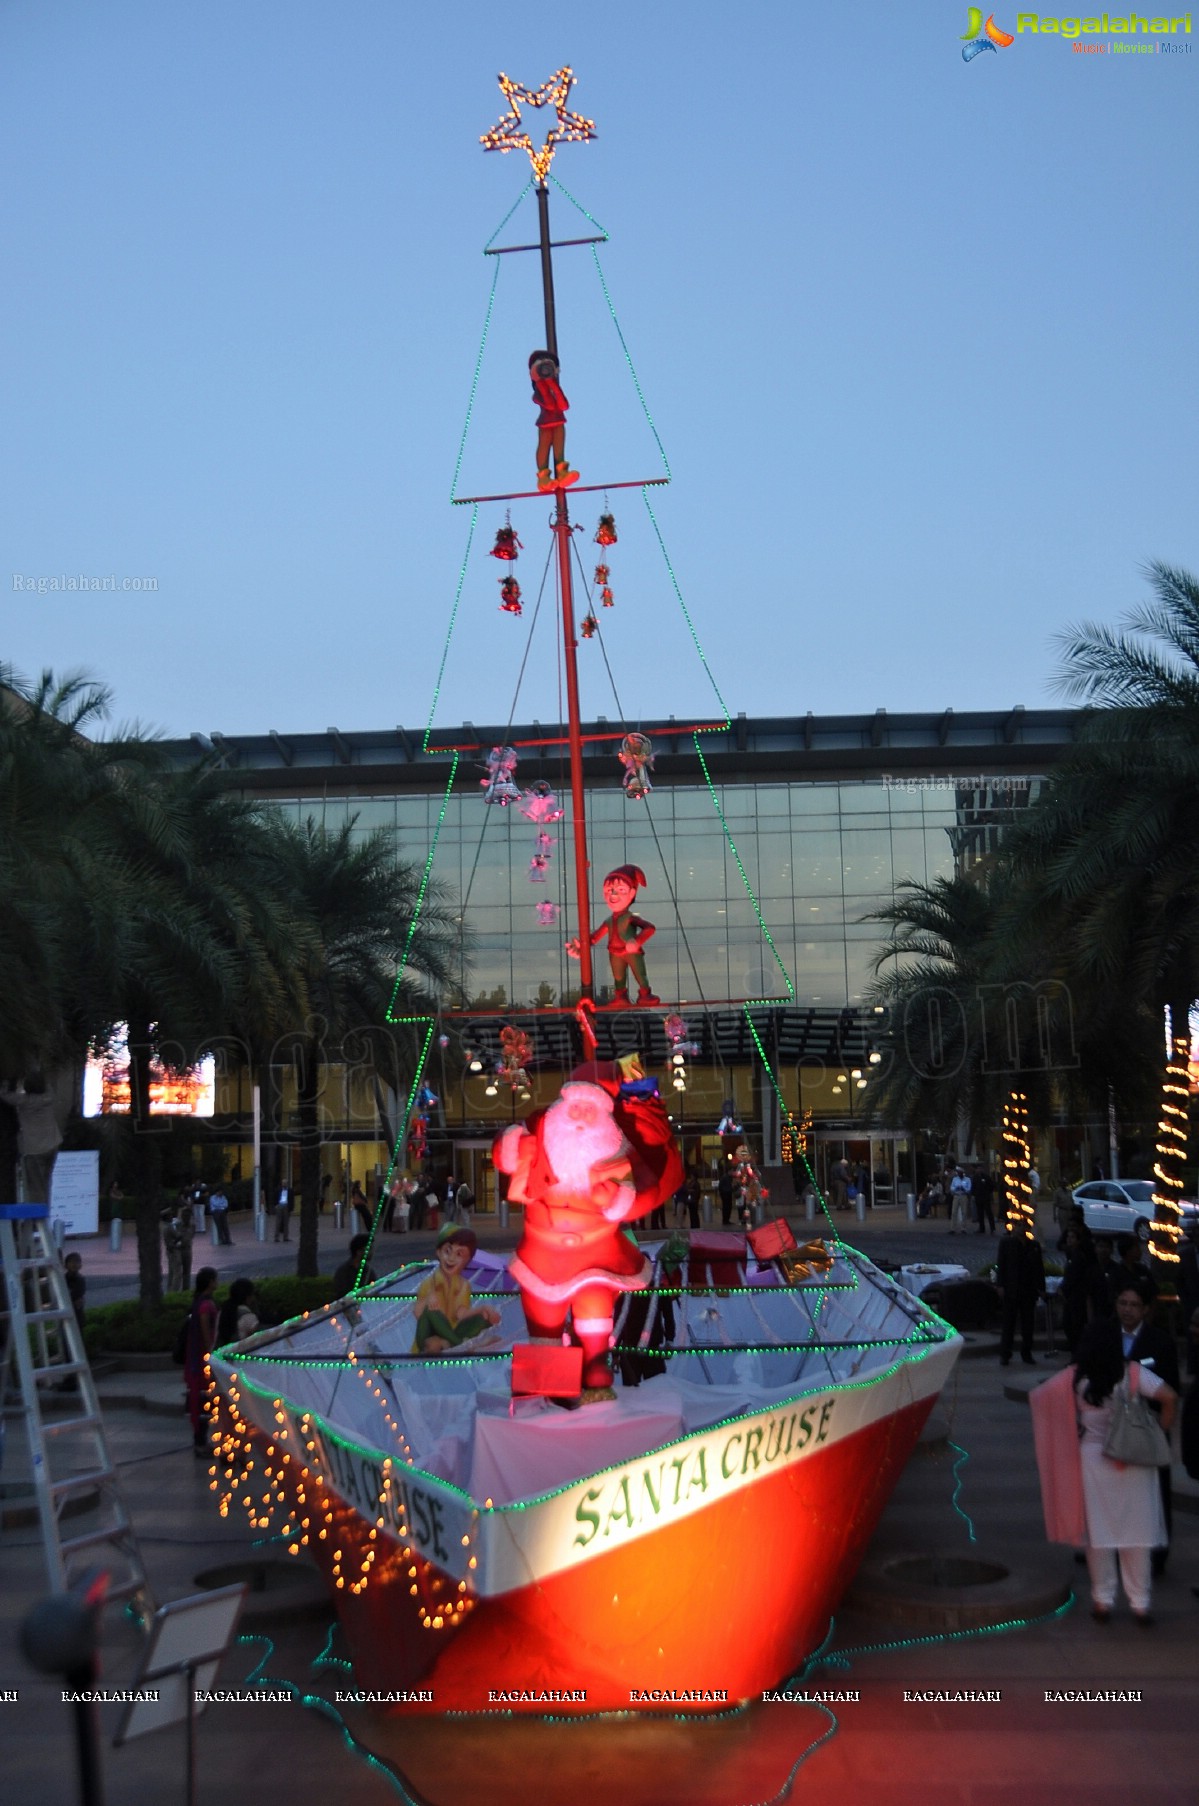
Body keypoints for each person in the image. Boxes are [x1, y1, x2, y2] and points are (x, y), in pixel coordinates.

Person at [1072, 1319, 1177, 1622]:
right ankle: (1140, 1603)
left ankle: (1102, 1600)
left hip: (1093, 1458)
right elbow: (1169, 1397)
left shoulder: (1080, 1379)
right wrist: (1159, 1431)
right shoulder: (1132, 1373)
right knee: (1137, 1534)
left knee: (1098, 1535)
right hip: (1133, 1457)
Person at [1108, 1279, 1179, 1574]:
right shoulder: (1105, 1335)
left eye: (1134, 1305)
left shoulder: (1159, 1341)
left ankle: (1157, 1552)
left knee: (1154, 1493)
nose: (1127, 1310)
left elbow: (1172, 1387)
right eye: (1123, 1303)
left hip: (1147, 1425)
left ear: (1145, 1309)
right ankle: (1111, 1547)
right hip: (1113, 1425)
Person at [566, 865, 659, 1008]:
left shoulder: (629, 918)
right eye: (609, 891)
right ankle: (620, 996)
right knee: (618, 976)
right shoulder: (609, 921)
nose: (613, 895)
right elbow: (594, 938)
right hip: (615, 952)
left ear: (632, 893)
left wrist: (637, 941)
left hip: (631, 952)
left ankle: (645, 993)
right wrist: (581, 945)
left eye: (620, 890)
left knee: (639, 974)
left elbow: (650, 928)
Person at [410, 1224, 501, 1354]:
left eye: (459, 1254)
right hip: (428, 1337)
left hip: (450, 1334)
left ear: (468, 1260)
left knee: (483, 1317)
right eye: (447, 1251)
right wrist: (427, 1300)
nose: (451, 1258)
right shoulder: (429, 1283)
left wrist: (483, 1309)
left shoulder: (464, 1285)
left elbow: (461, 1314)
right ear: (439, 1252)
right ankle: (460, 1345)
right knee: (431, 1312)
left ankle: (453, 1343)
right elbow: (419, 1314)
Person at [996, 1219, 1046, 1366]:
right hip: (1012, 1288)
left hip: (1028, 1290)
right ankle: (1005, 1353)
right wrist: (1000, 1285)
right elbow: (1002, 1264)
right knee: (1009, 1323)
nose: (1021, 1228)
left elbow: (1039, 1269)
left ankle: (1027, 1352)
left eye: (1024, 1226)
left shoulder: (1034, 1246)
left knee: (1028, 1324)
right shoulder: (1006, 1243)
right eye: (1018, 1225)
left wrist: (1041, 1288)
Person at [528, 348, 578, 490]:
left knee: (559, 447)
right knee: (544, 446)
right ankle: (543, 476)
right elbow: (549, 404)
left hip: (559, 421)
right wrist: (543, 383)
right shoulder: (537, 393)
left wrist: (553, 384)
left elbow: (564, 405)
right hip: (545, 422)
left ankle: (562, 472)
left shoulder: (554, 386)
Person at [184, 1268, 219, 1455]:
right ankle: (200, 1442)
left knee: (203, 1399)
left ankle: (201, 1441)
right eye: (215, 1279)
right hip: (201, 1361)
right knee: (202, 1400)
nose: (217, 1283)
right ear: (210, 1282)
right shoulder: (205, 1305)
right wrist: (209, 1353)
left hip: (197, 1359)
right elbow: (206, 1333)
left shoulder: (200, 1302)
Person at [215, 1277, 259, 1347]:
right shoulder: (249, 1316)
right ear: (248, 1297)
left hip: (220, 1353)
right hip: (239, 1354)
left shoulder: (223, 1311)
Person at [63, 1251, 86, 1330]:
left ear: (80, 1265)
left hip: (76, 1312)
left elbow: (77, 1294)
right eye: (71, 1262)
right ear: (66, 1265)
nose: (74, 1264)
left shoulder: (80, 1279)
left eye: (77, 1261)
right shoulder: (62, 1279)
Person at [972, 1164, 995, 1234]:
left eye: (980, 1168)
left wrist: (988, 1193)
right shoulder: (975, 1177)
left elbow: (991, 1186)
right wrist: (974, 1194)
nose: (979, 1170)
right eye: (978, 1169)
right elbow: (973, 1187)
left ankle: (992, 1228)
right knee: (980, 1214)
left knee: (989, 1213)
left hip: (985, 1197)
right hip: (978, 1198)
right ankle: (982, 1228)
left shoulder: (987, 1177)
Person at [949, 1166, 972, 1235]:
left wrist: (963, 1188)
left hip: (963, 1196)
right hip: (956, 1196)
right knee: (953, 1212)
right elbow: (951, 1188)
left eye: (960, 1172)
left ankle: (963, 1228)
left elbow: (969, 1189)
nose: (959, 1173)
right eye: (958, 1172)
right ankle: (953, 1228)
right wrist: (956, 1188)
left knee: (964, 1212)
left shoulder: (967, 1179)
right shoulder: (955, 1179)